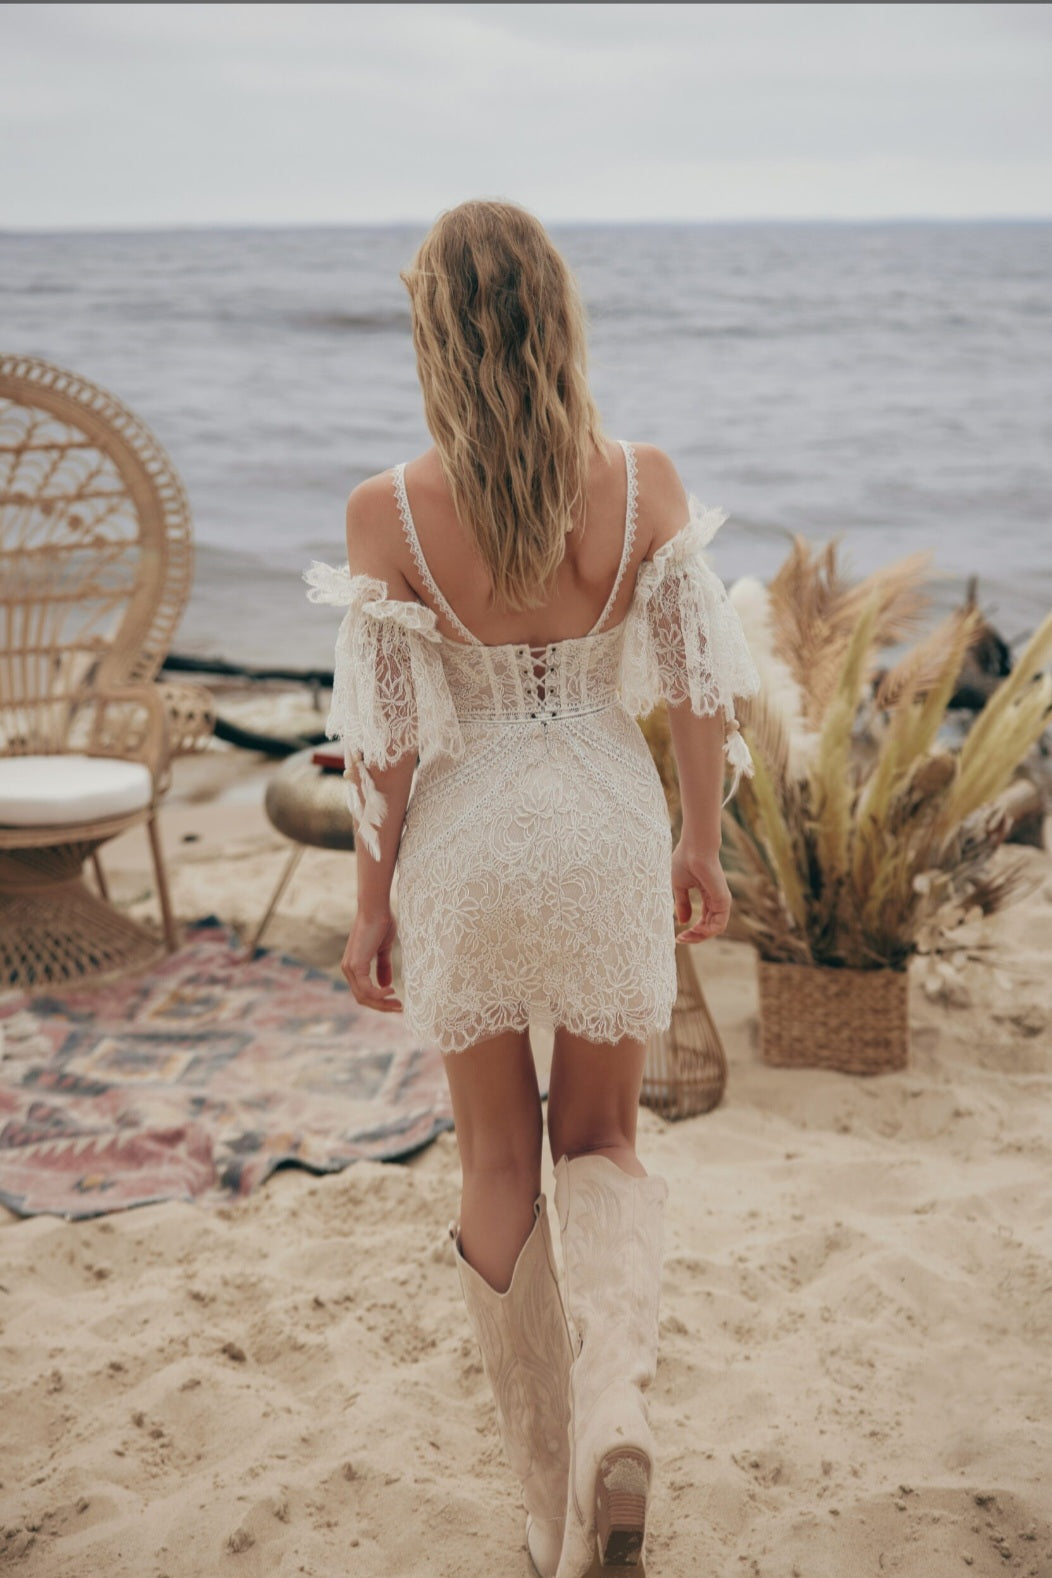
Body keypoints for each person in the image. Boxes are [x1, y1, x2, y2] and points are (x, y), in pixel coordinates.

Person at [305, 200, 759, 1578]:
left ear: (435, 334)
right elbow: (700, 685)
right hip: (608, 831)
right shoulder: (642, 483)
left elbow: (384, 741)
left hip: (467, 845)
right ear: (560, 318)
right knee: (603, 1138)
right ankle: (617, 1411)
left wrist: (371, 905)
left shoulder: (388, 511)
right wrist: (700, 842)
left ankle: (553, 1505)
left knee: (499, 1158)